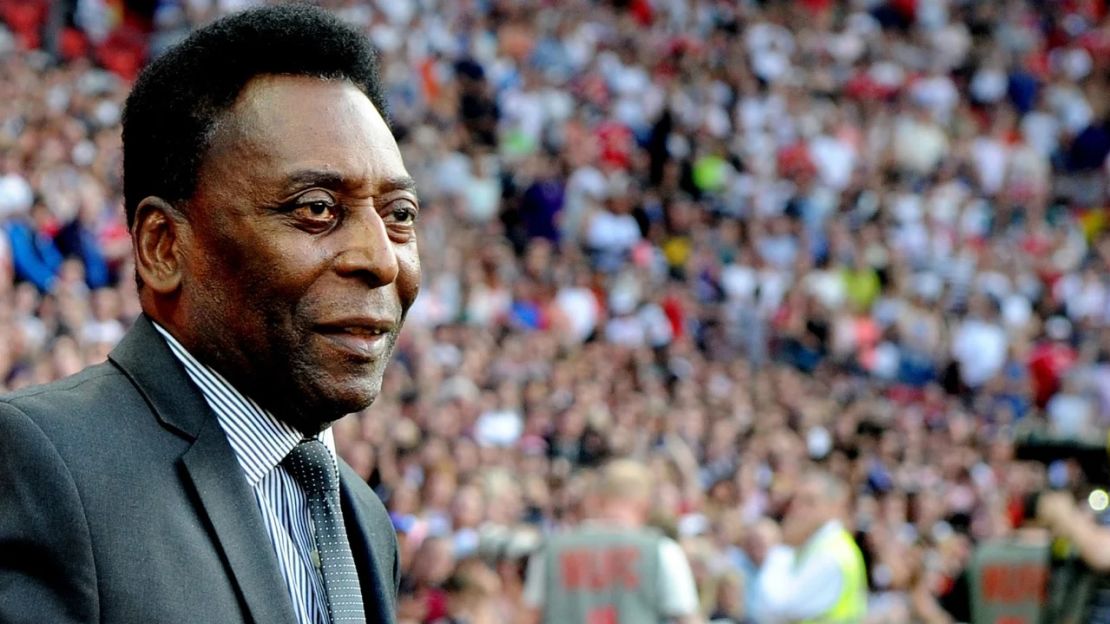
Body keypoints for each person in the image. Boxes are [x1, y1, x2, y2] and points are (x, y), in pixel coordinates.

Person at [0, 5, 419, 624]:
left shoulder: (362, 517)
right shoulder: (43, 466)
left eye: (400, 215)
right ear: (163, 247)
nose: (380, 260)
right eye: (317, 209)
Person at [521, 458, 703, 624]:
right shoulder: (661, 550)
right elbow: (689, 619)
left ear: (598, 500)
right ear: (645, 505)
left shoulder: (552, 550)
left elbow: (529, 618)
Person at [753, 470, 867, 623]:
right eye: (796, 501)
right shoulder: (821, 545)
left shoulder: (831, 554)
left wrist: (782, 547)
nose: (797, 509)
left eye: (809, 501)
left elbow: (776, 605)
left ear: (833, 506)